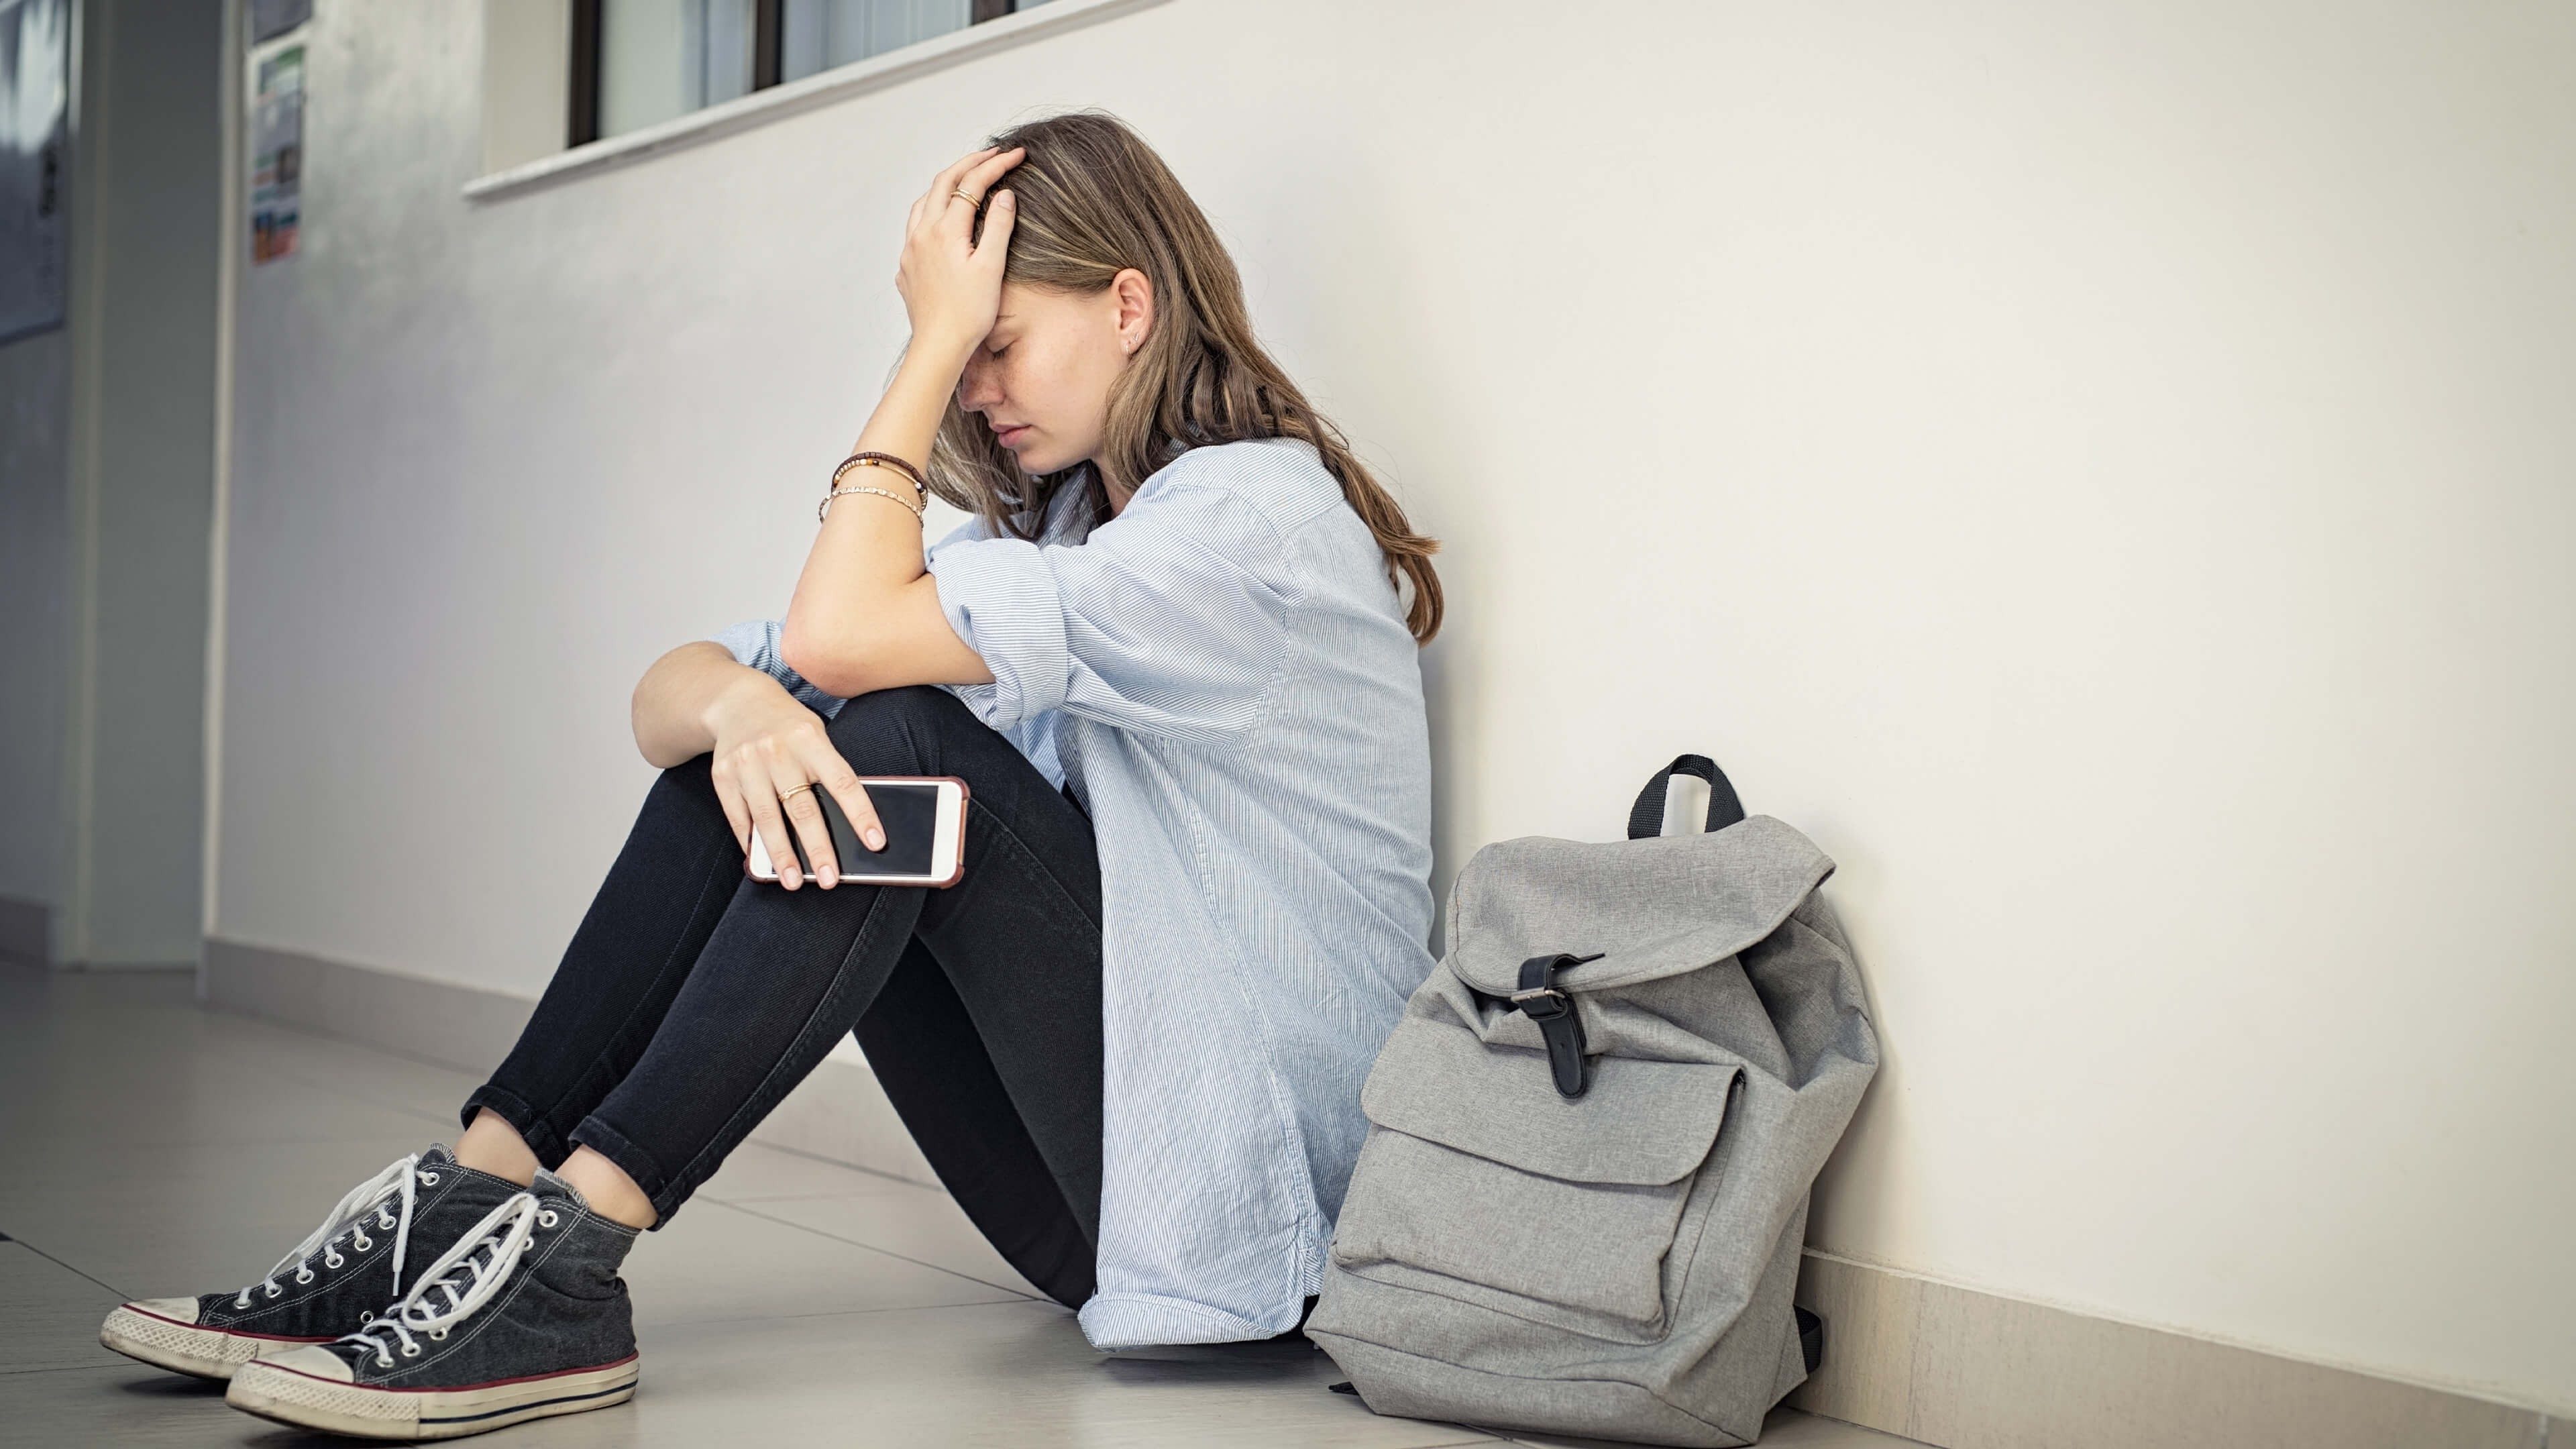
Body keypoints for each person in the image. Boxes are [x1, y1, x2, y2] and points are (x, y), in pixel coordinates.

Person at [95, 109, 1444, 1440]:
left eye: (996, 345)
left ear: (1130, 306)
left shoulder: (1250, 526)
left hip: (1258, 1220)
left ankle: (569, 1267)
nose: (974, 387)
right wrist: (742, 710)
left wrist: (922, 346)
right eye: (958, 356)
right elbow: (670, 697)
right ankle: (468, 1202)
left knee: (896, 744)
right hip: (1114, 1206)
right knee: (750, 753)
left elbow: (839, 638)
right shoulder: (1074, 534)